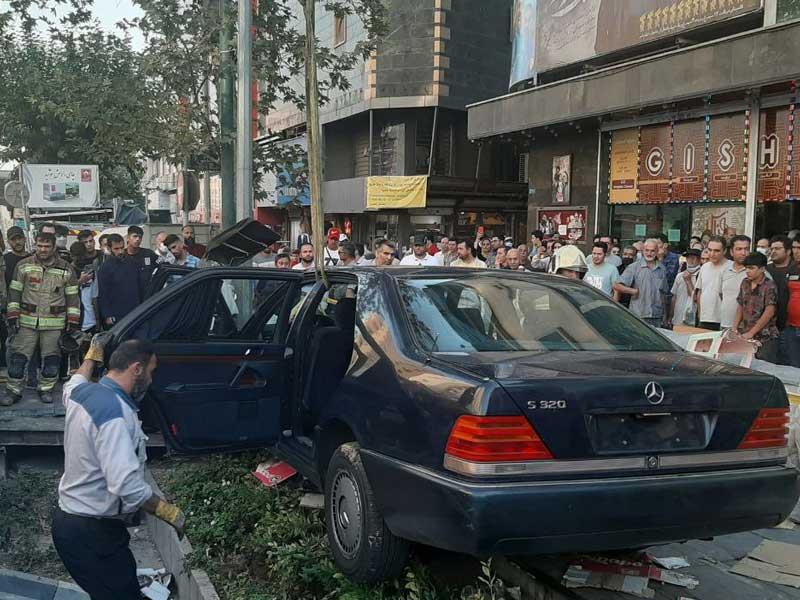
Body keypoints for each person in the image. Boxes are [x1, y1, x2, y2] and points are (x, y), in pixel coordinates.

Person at [53, 337, 186, 600]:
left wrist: (92, 356)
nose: (151, 379)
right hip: (93, 534)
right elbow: (127, 486)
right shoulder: (116, 415)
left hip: (71, 524)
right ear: (136, 369)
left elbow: (72, 383)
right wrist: (170, 513)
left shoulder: (84, 393)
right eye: (150, 371)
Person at [5, 232, 78, 404]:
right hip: (27, 322)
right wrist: (13, 315)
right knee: (18, 358)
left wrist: (73, 320)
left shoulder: (67, 269)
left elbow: (73, 297)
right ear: (35, 245)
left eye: (46, 246)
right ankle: (13, 391)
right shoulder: (23, 266)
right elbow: (14, 292)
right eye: (39, 246)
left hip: (54, 323)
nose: (42, 250)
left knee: (51, 360)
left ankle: (46, 389)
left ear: (54, 248)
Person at [733, 252, 780, 363]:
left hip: (765, 337)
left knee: (764, 368)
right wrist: (734, 328)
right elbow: (740, 305)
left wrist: (752, 332)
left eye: (752, 268)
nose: (748, 271)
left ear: (762, 269)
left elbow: (769, 312)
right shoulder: (745, 282)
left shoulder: (770, 286)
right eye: (746, 268)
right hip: (745, 334)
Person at [614, 239, 670, 328]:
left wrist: (666, 316)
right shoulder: (634, 267)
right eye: (647, 250)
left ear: (657, 252)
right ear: (643, 251)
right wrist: (632, 291)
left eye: (652, 251)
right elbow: (617, 285)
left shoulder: (662, 269)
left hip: (656, 316)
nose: (649, 253)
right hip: (638, 315)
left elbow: (664, 294)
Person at [97, 234, 142, 329]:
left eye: (122, 248)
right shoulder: (105, 268)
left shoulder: (133, 263)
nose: (120, 251)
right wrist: (107, 315)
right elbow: (103, 293)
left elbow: (140, 287)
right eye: (116, 249)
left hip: (134, 311)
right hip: (116, 314)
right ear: (109, 249)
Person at [768, 235, 800, 366]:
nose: (796, 251)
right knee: (791, 367)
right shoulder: (793, 269)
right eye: (794, 248)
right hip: (789, 327)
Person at [694, 236, 730, 331]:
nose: (712, 254)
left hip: (724, 319)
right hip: (705, 318)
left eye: (717, 251)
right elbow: (700, 292)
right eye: (709, 250)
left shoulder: (731, 267)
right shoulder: (704, 267)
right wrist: (700, 314)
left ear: (724, 251)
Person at [719, 235, 751, 331]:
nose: (743, 253)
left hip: (747, 327)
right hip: (725, 324)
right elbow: (721, 294)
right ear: (731, 252)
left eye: (746, 249)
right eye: (739, 249)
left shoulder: (757, 272)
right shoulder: (724, 271)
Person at [671, 249, 702, 327]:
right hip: (678, 317)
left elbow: (694, 298)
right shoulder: (680, 275)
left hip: (692, 319)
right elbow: (674, 297)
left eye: (693, 258)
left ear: (699, 259)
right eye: (688, 257)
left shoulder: (701, 275)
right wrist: (671, 315)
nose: (691, 260)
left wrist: (688, 281)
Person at [125, 226, 159, 295]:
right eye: (135, 236)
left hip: (146, 295)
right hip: (128, 295)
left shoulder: (149, 254)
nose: (137, 239)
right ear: (128, 238)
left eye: (140, 237)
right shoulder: (122, 256)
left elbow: (161, 265)